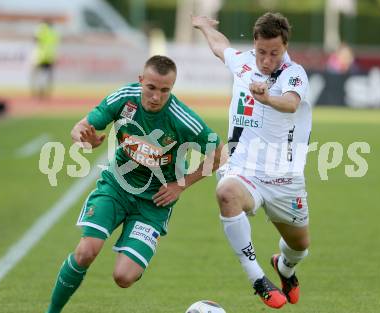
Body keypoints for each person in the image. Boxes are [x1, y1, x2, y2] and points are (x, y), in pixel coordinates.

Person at [44, 55, 223, 313]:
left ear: (172, 88)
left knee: (124, 277)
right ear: (141, 81)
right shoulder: (123, 98)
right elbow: (81, 127)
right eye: (151, 88)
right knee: (86, 252)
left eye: (165, 90)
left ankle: (137, 251)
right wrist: (83, 138)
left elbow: (219, 153)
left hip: (153, 202)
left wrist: (181, 185)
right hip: (116, 186)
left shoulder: (182, 118)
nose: (156, 97)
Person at [192, 12, 311, 309]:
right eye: (261, 51)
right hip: (244, 169)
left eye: (274, 53)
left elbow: (291, 102)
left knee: (300, 246)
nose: (266, 59)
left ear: (285, 47)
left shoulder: (293, 73)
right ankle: (258, 277)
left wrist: (268, 98)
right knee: (226, 193)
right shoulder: (243, 62)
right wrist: (205, 27)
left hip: (284, 177)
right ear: (254, 44)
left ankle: (284, 268)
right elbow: (221, 47)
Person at [31, 20, 59, 99]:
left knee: (38, 75)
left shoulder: (42, 29)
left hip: (40, 56)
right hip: (50, 56)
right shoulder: (53, 32)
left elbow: (35, 39)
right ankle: (47, 92)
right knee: (48, 76)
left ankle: (39, 92)